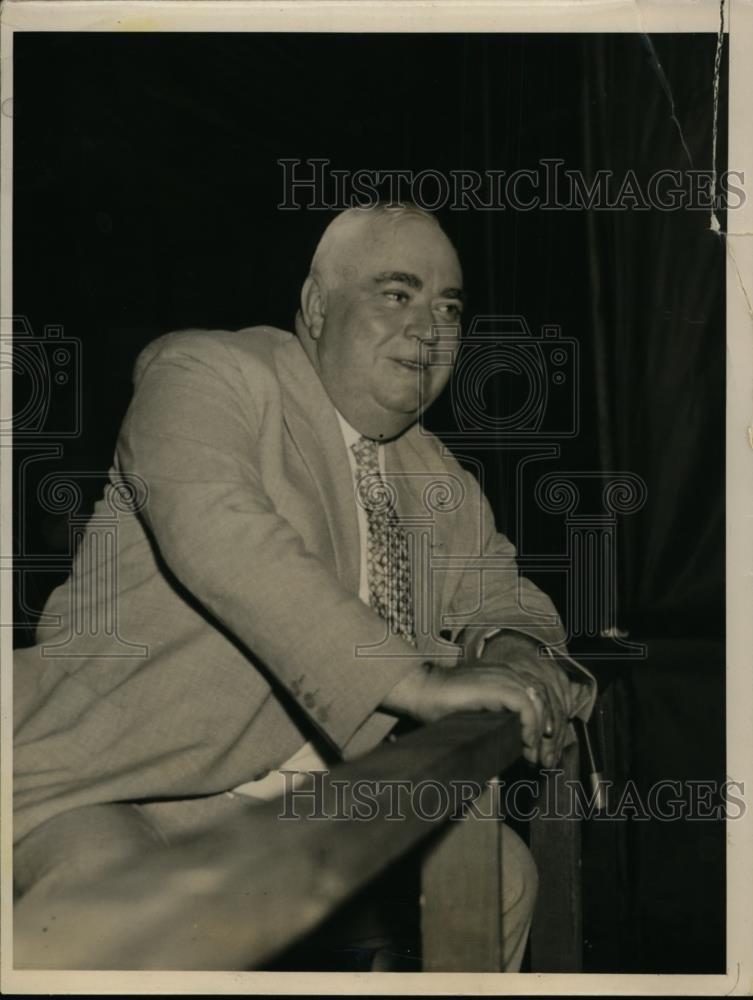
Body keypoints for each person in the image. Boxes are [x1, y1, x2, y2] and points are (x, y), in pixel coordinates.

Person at [13, 203, 595, 970]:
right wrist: (411, 683)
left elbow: (502, 594)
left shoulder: (436, 474)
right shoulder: (208, 374)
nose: (430, 329)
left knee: (497, 880)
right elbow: (219, 532)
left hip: (311, 810)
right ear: (318, 307)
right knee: (123, 920)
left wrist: (516, 647)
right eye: (397, 293)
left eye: (448, 306)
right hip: (114, 787)